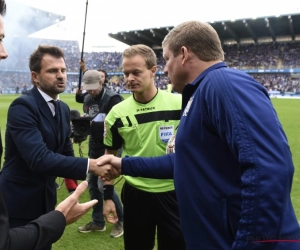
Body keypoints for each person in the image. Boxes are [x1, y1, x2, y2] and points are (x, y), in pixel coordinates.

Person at [97, 21, 300, 250]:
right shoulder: (201, 93)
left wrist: (251, 244)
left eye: (166, 59)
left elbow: (269, 168)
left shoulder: (225, 84)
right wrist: (124, 164)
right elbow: (186, 162)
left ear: (183, 54)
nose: (164, 69)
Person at [0, 1, 98, 249]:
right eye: (53, 70)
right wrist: (91, 164)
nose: (61, 75)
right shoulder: (23, 106)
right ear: (35, 76)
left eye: (63, 70)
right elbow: (39, 158)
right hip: (17, 202)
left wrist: (85, 175)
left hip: (47, 200)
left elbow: (64, 150)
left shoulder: (64, 108)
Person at [103, 44, 186, 250]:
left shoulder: (180, 104)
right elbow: (109, 157)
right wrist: (107, 197)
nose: (130, 78)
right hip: (136, 194)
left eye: (136, 72)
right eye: (126, 73)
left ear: (153, 71)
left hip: (174, 191)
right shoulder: (117, 113)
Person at [76, 70, 124, 238]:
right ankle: (98, 222)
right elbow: (90, 121)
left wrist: (93, 127)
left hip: (110, 147)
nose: (90, 92)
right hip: (94, 146)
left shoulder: (113, 98)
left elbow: (117, 126)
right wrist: (80, 132)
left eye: (93, 88)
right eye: (87, 88)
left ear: (101, 83)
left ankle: (121, 221)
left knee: (104, 184)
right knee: (92, 185)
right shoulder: (88, 99)